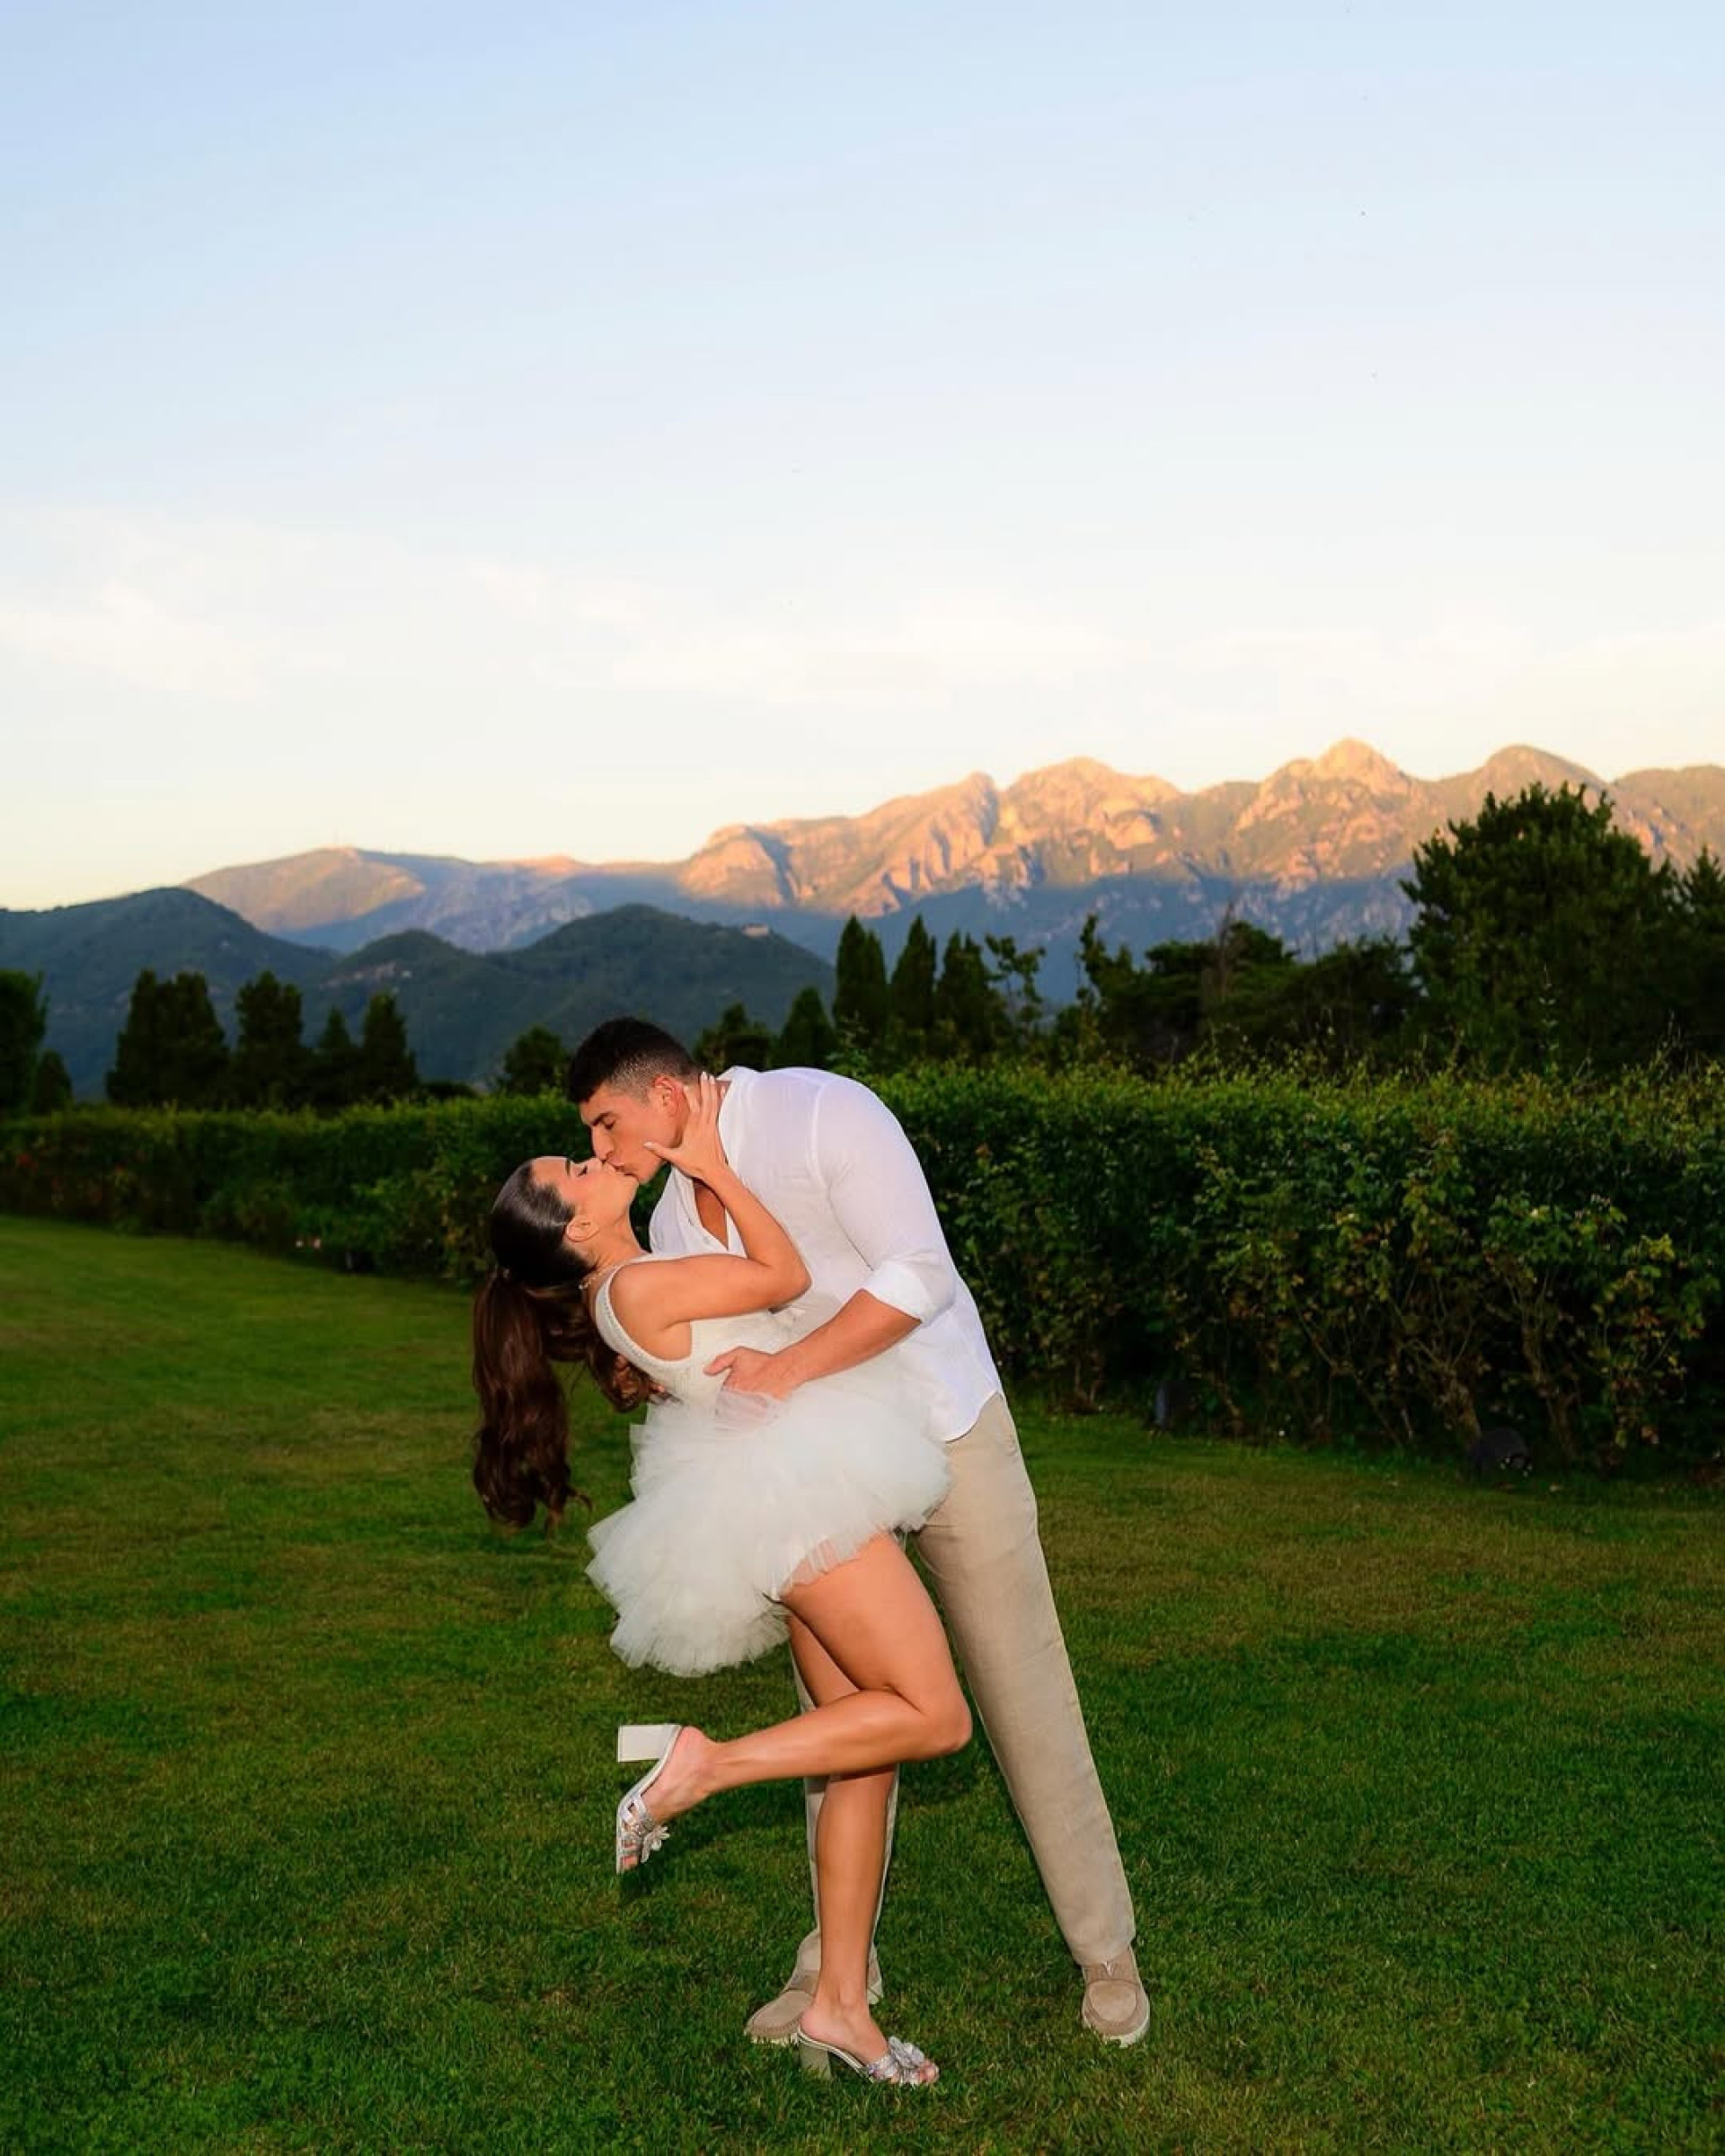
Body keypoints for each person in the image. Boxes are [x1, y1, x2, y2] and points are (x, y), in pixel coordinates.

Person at [566, 1018, 1146, 2048]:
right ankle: (840, 1970)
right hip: (824, 1477)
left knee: (1022, 1696)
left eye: (607, 1125)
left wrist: (786, 1374)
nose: (604, 1152)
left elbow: (920, 1275)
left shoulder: (820, 1111)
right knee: (841, 1723)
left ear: (663, 1098)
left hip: (944, 1426)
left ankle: (1106, 1955)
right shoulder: (666, 1227)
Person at [472, 1076, 967, 2087]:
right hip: (800, 1494)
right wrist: (714, 1167)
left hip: (775, 1483)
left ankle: (838, 2010)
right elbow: (782, 1275)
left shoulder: (630, 1286)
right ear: (573, 1230)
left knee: (863, 1753)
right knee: (936, 1714)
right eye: (573, 1170)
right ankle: (706, 1765)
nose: (593, 1160)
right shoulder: (638, 1288)